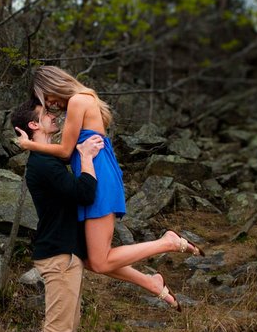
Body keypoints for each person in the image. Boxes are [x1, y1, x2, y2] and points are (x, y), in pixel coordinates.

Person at [14, 65, 203, 308]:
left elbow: (64, 151)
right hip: (97, 171)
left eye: (47, 98)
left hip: (98, 177)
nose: (52, 105)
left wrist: (29, 146)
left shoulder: (78, 101)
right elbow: (65, 155)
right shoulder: (84, 99)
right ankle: (152, 283)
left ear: (53, 86)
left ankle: (168, 242)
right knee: (93, 260)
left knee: (101, 261)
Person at [11, 98, 100, 332]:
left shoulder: (48, 158)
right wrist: (88, 158)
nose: (54, 117)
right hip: (58, 256)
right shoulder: (42, 165)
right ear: (34, 125)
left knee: (68, 325)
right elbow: (84, 193)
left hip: (66, 253)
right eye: (46, 115)